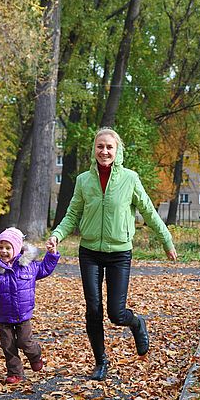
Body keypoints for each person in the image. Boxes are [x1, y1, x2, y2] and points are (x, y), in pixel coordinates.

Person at [46, 127, 177, 381]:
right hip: (90, 252)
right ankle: (101, 362)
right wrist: (57, 235)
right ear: (94, 150)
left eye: (109, 147)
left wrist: (166, 241)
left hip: (119, 253)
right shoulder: (84, 180)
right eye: (100, 147)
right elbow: (72, 214)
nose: (104, 151)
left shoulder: (130, 179)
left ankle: (137, 323)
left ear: (117, 151)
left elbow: (149, 212)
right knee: (93, 309)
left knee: (116, 314)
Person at [0, 226, 60, 384]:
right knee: (8, 346)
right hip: (4, 315)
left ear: (17, 249)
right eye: (0, 247)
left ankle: (35, 355)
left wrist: (52, 255)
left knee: (24, 342)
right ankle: (15, 373)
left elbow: (44, 268)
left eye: (8, 248)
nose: (4, 251)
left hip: (23, 313)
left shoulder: (28, 265)